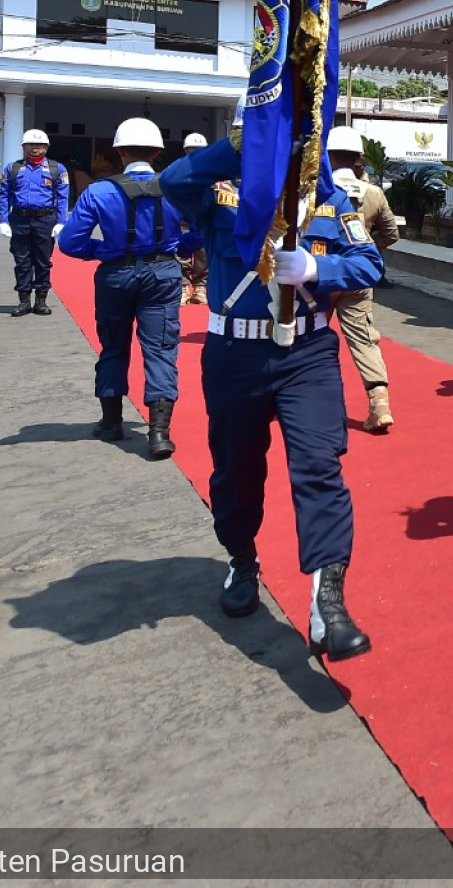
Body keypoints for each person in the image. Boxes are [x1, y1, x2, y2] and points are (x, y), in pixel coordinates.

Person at [160, 131, 383, 661]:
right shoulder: (221, 193)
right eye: (276, 140)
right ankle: (241, 558)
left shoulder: (328, 201)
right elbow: (173, 181)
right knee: (236, 469)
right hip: (235, 354)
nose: (287, 152)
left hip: (306, 354)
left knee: (320, 466)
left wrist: (318, 268)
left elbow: (370, 263)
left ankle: (329, 602)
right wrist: (240, 145)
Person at [58, 119, 193, 457]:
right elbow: (205, 231)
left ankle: (111, 422)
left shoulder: (99, 190)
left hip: (116, 274)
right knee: (161, 349)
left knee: (114, 348)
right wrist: (181, 245)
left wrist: (103, 251)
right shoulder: (176, 189)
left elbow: (70, 243)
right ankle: (159, 433)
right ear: (159, 152)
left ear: (118, 152)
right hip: (163, 272)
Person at [325, 125, 401, 432]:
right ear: (359, 158)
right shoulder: (373, 193)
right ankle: (379, 403)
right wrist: (368, 250)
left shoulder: (316, 188)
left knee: (310, 335)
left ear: (328, 156)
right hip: (358, 276)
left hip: (320, 274)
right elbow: (392, 234)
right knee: (363, 339)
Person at [0, 129, 70, 316]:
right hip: (20, 219)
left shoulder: (57, 169)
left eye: (39, 146)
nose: (35, 149)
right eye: (31, 145)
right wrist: (3, 220)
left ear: (46, 148)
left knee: (42, 261)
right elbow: (4, 195)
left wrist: (61, 221)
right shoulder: (12, 168)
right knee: (21, 260)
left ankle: (41, 300)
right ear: (23, 147)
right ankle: (24, 301)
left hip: (45, 219)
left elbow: (62, 197)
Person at [179, 132, 211, 304]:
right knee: (180, 252)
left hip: (202, 216)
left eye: (199, 150)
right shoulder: (177, 169)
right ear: (186, 150)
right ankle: (183, 286)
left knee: (203, 253)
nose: (195, 153)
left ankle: (200, 287)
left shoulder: (212, 170)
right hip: (182, 215)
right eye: (192, 149)